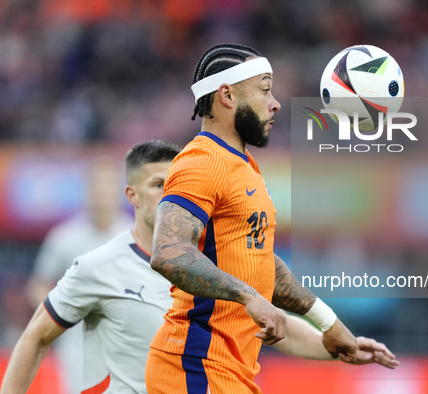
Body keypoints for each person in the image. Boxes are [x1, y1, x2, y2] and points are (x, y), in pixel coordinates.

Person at [1, 140, 398, 394]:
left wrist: (337, 347)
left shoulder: (214, 264)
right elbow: (36, 337)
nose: (173, 194)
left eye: (179, 184)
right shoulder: (98, 265)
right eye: (160, 185)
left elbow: (275, 327)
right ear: (132, 195)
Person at [146, 44, 367, 394]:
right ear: (228, 96)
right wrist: (248, 296)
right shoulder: (202, 161)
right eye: (265, 89)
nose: (275, 102)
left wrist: (328, 324)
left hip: (228, 374)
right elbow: (168, 251)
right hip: (193, 368)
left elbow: (263, 266)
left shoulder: (245, 167)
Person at [25, 156, 134, 394]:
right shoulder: (64, 238)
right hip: (77, 342)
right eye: (96, 185)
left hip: (124, 339)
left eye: (107, 185)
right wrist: (59, 316)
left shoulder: (133, 237)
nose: (102, 192)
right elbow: (38, 285)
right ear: (87, 190)